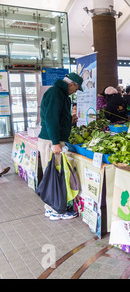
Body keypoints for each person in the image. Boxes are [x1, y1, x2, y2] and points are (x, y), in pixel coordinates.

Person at [38, 72, 83, 220]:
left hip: (54, 140)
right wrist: (56, 142)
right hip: (51, 141)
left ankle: (55, 206)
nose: (75, 92)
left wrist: (68, 121)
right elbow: (50, 120)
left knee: (56, 174)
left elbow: (56, 117)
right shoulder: (55, 94)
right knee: (53, 175)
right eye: (76, 89)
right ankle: (53, 210)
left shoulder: (61, 94)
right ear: (71, 84)